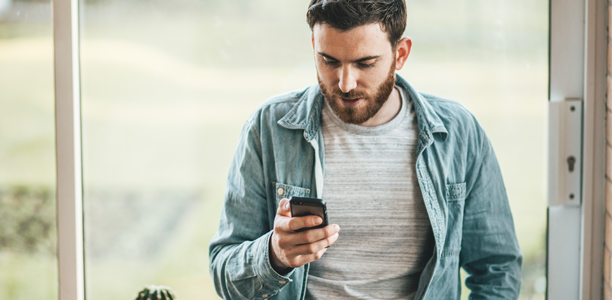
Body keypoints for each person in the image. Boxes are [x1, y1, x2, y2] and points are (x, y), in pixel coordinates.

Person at [209, 0, 523, 299]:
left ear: (400, 54)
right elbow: (225, 272)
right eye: (329, 60)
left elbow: (497, 268)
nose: (345, 83)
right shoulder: (269, 128)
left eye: (365, 63)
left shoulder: (459, 133)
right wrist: (274, 254)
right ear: (313, 46)